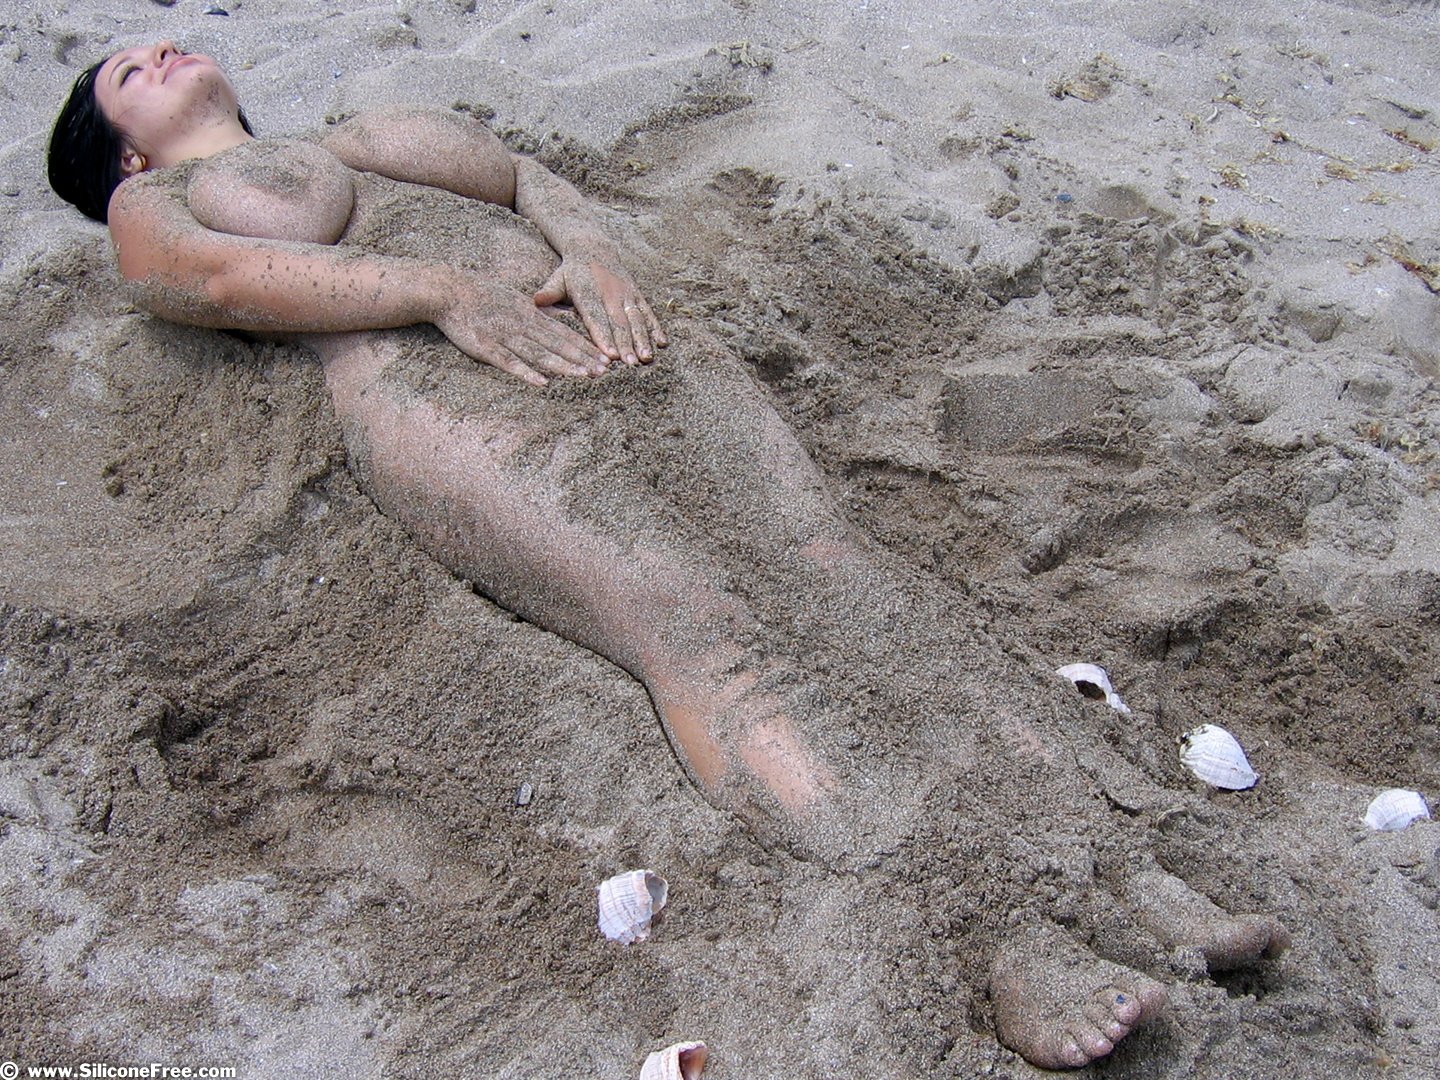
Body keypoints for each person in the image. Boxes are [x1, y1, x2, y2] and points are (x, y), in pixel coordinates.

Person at [49, 41, 1290, 1070]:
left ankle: (1108, 863)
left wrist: (589, 248)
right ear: (125, 154)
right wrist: (439, 290)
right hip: (444, 392)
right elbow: (211, 279)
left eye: (159, 40)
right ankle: (988, 924)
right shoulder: (151, 204)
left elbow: (527, 177)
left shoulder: (361, 131)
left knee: (848, 575)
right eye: (122, 75)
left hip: (620, 339)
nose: (156, 51)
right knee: (702, 629)